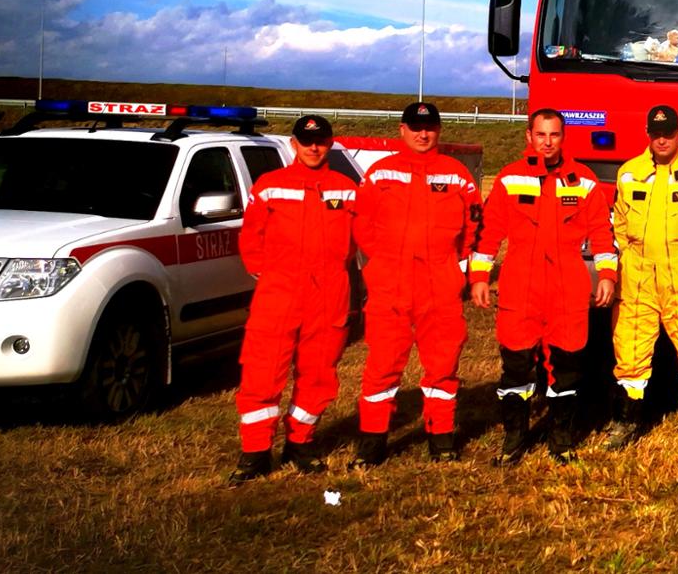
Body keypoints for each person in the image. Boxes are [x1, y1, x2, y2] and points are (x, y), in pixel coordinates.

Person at [468, 109, 617, 465]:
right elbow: (489, 233)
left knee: (567, 368)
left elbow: (602, 231)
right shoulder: (510, 179)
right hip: (521, 285)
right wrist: (479, 277)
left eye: (554, 135)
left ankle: (561, 441)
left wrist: (607, 275)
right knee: (516, 367)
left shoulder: (583, 181)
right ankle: (514, 439)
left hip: (567, 287)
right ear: (529, 137)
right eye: (540, 135)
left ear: (563, 137)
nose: (547, 142)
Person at [229, 115, 356, 484]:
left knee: (319, 372)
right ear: (293, 144)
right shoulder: (270, 185)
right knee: (262, 370)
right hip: (279, 291)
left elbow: (364, 236)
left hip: (329, 292)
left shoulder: (347, 189)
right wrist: (269, 274)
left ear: (330, 143)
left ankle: (301, 442)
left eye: (321, 141)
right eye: (306, 141)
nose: (314, 147)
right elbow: (251, 237)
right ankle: (255, 452)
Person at [352, 102, 481, 466]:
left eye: (430, 128)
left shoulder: (456, 175)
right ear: (402, 130)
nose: (423, 134)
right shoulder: (380, 172)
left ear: (438, 130)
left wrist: (454, 266)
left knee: (443, 362)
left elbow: (473, 226)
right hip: (390, 281)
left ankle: (441, 438)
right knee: (382, 363)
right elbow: (363, 224)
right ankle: (373, 443)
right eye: (415, 127)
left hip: (439, 281)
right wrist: (385, 261)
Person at [607, 105, 678, 452]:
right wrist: (630, 258)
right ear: (648, 135)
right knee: (629, 352)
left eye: (668, 133)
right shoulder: (629, 173)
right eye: (656, 134)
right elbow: (620, 223)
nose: (662, 140)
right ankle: (626, 421)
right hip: (637, 279)